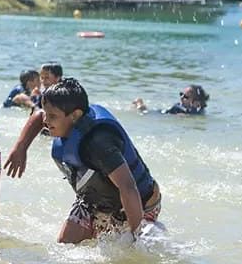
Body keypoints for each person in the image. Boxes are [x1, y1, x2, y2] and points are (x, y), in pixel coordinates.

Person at [39, 78, 161, 243]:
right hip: (95, 200)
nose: (45, 120)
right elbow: (36, 118)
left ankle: (152, 234)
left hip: (139, 203)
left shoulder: (99, 143)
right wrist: (20, 148)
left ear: (75, 115)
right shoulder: (65, 125)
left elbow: (128, 186)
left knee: (129, 251)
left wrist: (135, 236)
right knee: (64, 245)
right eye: (45, 113)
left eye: (52, 116)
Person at [3, 62, 64, 178]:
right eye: (42, 78)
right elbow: (37, 114)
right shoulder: (45, 94)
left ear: (58, 78)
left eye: (47, 78)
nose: (43, 81)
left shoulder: (63, 95)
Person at [133, 85, 209, 115]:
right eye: (181, 94)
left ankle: (140, 103)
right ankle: (139, 103)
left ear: (196, 103)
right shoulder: (179, 109)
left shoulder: (199, 111)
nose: (182, 97)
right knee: (145, 112)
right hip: (164, 114)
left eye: (186, 97)